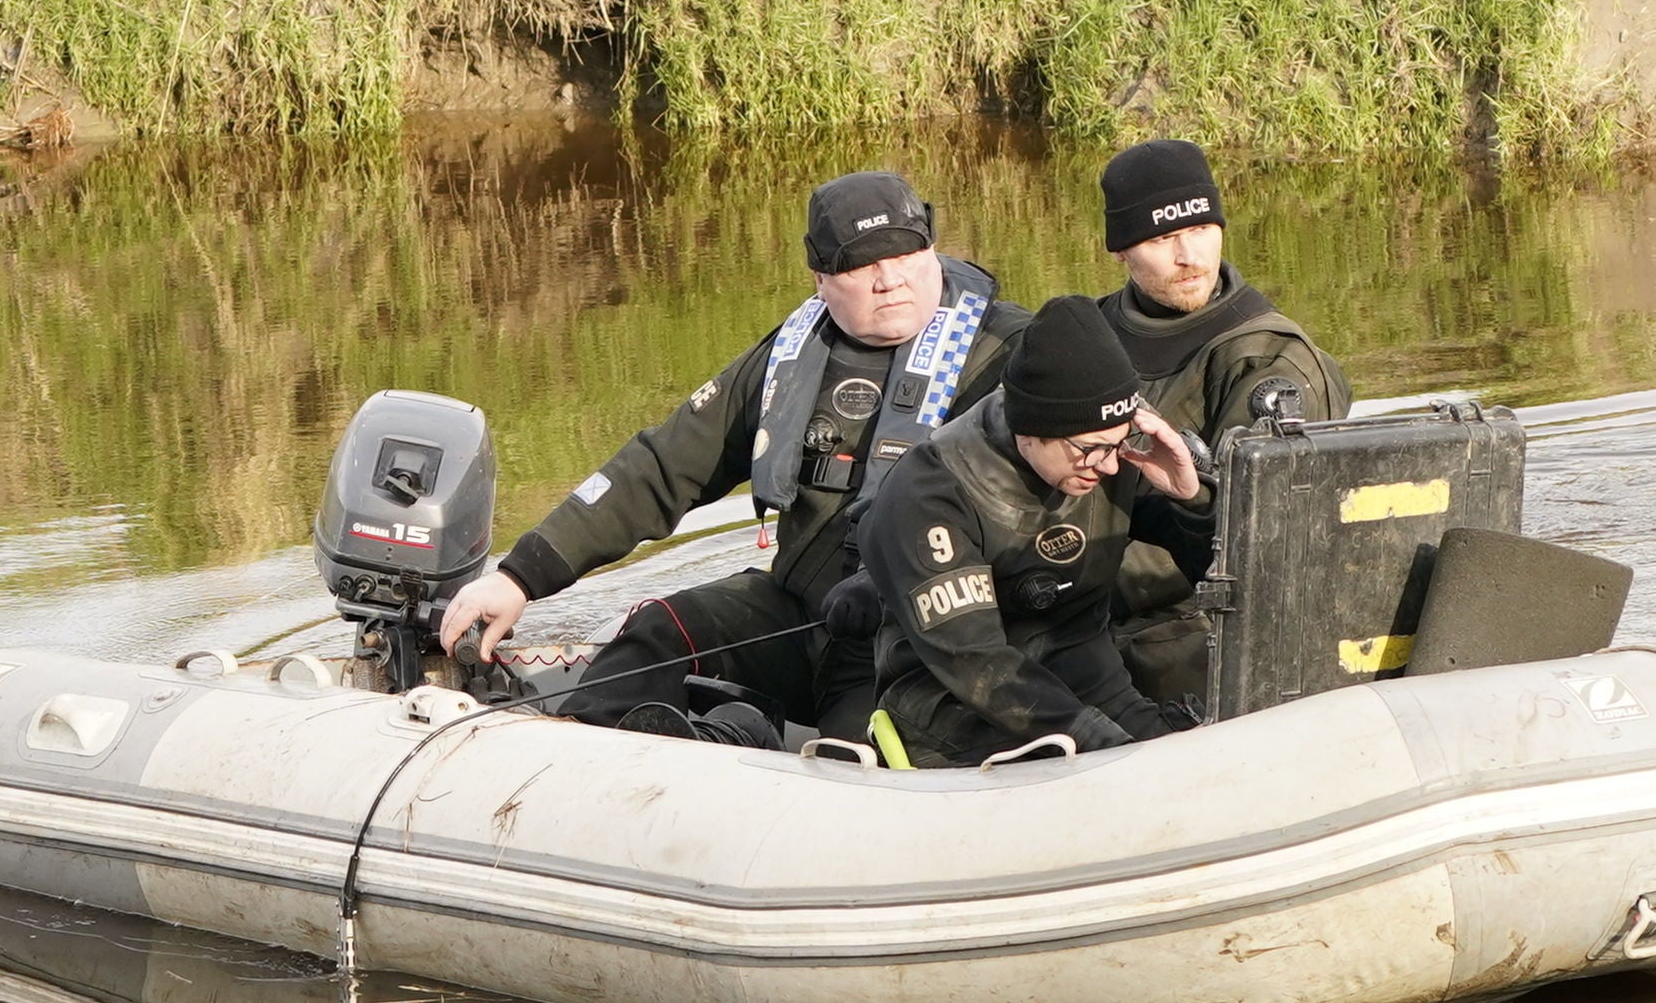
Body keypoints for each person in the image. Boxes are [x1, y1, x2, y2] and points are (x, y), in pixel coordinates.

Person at [435, 171, 1029, 739]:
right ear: (820, 278)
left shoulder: (1015, 355)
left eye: (905, 255)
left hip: (916, 635)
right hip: (800, 614)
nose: (890, 279)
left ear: (931, 249)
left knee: (859, 750)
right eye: (864, 264)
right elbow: (663, 466)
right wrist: (520, 576)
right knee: (654, 633)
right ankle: (601, 767)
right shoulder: (793, 356)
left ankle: (739, 744)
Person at [847, 295, 1215, 766]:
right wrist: (1099, 742)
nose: (1105, 466)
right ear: (1030, 429)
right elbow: (975, 661)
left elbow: (1227, 577)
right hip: (953, 714)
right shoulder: (931, 492)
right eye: (1090, 449)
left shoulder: (1111, 455)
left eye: (1121, 443)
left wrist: (1192, 498)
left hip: (1091, 681)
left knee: (1191, 766)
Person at [1090, 138, 1352, 692]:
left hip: (1194, 630)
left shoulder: (1269, 359)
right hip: (1075, 605)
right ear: (1120, 250)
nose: (1190, 257)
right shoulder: (1084, 336)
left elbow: (1273, 555)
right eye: (1163, 238)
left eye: (1202, 230)